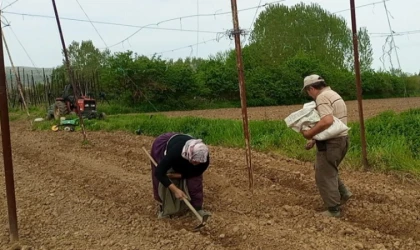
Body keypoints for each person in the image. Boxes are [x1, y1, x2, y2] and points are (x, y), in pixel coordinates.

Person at [300, 74, 353, 217]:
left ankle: (333, 209)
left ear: (311, 88)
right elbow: (334, 124)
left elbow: (327, 121)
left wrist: (309, 133)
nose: (309, 95)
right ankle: (344, 193)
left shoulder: (321, 98)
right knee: (328, 169)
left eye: (307, 91)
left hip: (331, 144)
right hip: (342, 140)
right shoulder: (333, 94)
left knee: (323, 175)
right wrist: (315, 140)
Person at [149, 132, 211, 219]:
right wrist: (175, 190)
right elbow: (159, 173)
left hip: (183, 144)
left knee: (195, 181)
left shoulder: (203, 157)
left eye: (199, 162)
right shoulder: (175, 153)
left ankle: (197, 208)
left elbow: (195, 172)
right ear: (189, 155)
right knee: (162, 181)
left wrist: (178, 176)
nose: (196, 164)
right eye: (195, 161)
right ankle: (164, 209)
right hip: (164, 145)